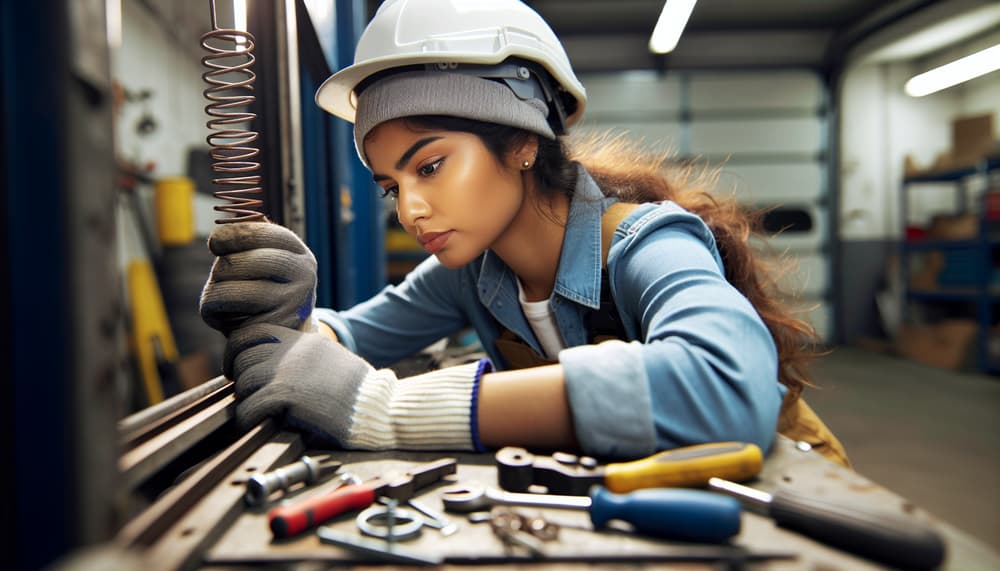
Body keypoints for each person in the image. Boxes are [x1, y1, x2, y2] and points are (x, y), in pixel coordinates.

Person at [199, 0, 849, 466]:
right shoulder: (470, 276)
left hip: (795, 498)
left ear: (520, 145)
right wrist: (288, 315)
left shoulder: (649, 244)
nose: (412, 208)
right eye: (392, 185)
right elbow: (353, 334)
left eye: (431, 165)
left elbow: (725, 388)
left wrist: (388, 411)